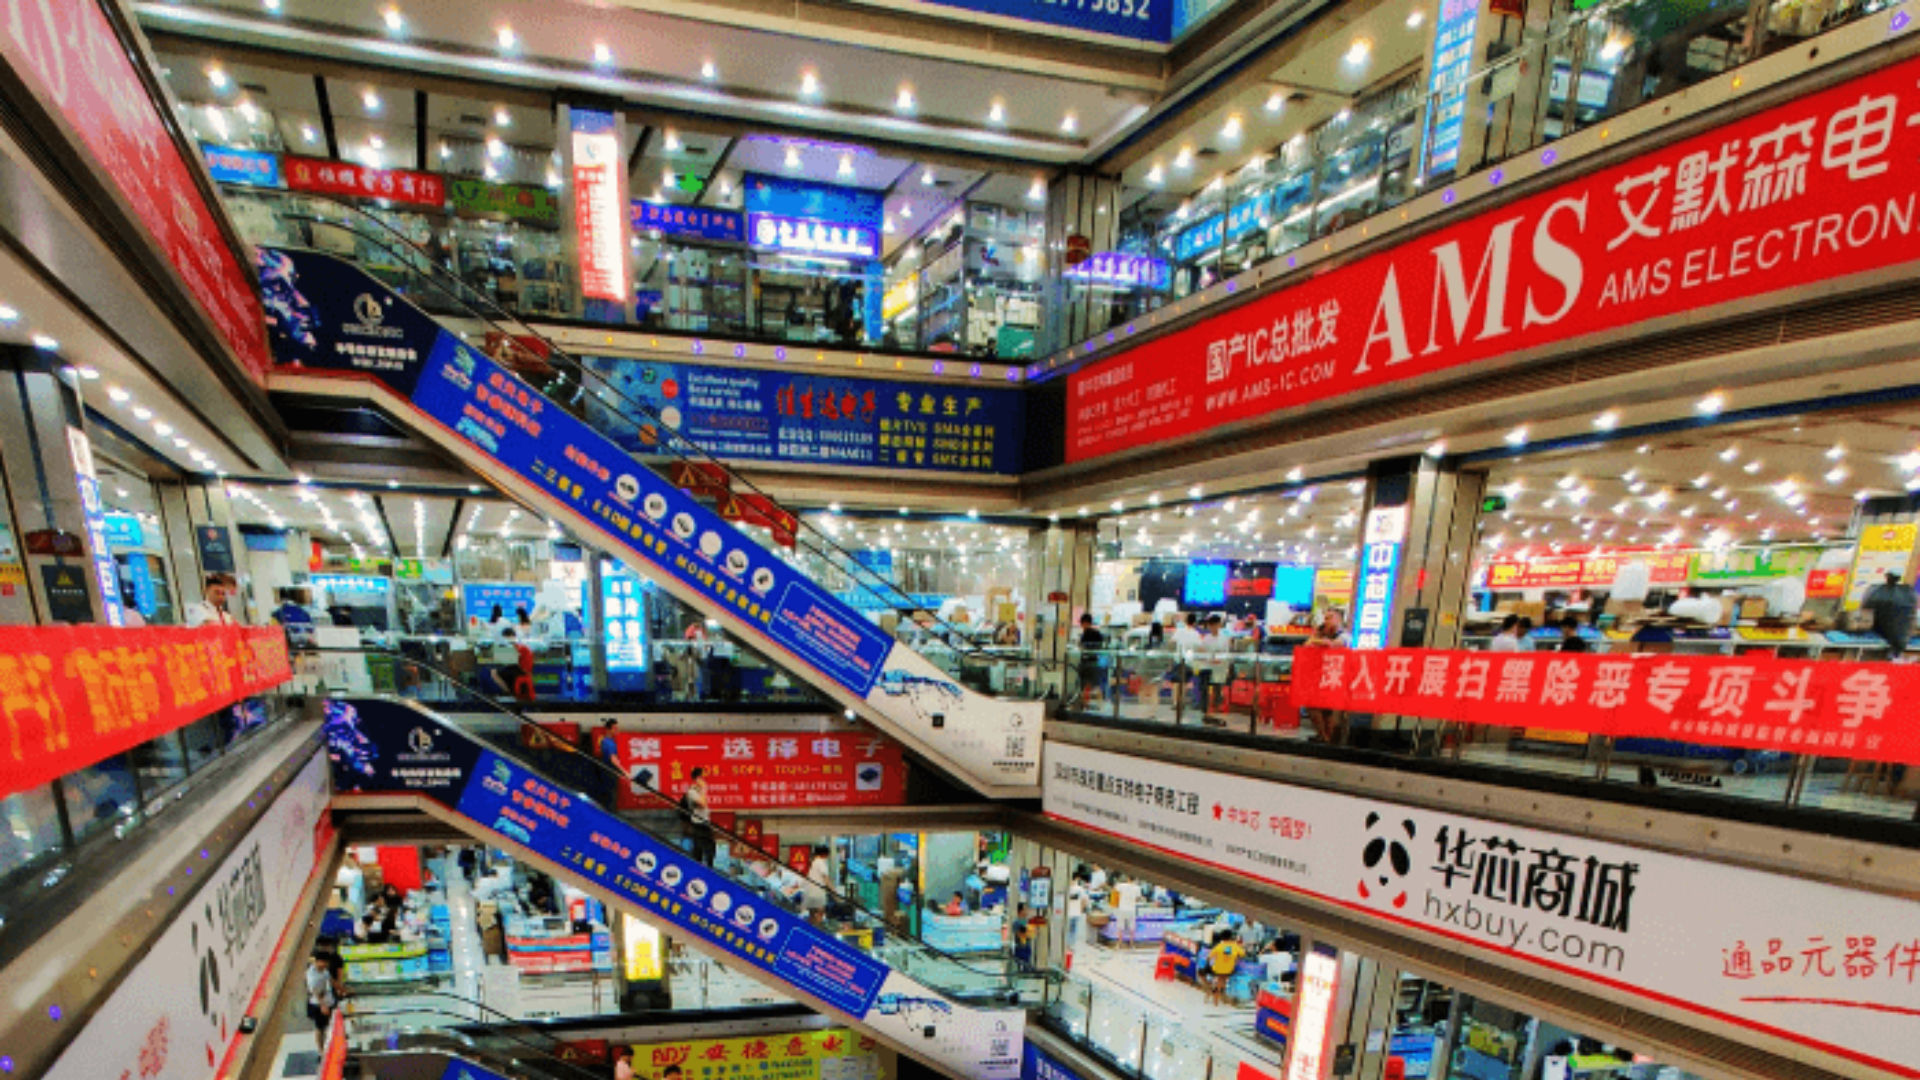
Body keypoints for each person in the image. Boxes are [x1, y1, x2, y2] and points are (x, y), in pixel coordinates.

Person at [1863, 571, 1918, 657]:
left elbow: (1866, 607)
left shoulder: (1877, 590)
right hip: (1900, 637)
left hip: (1880, 634)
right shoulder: (1907, 591)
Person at [488, 628, 534, 699]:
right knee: (495, 671)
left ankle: (508, 693)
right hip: (524, 674)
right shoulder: (522, 647)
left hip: (521, 674)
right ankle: (508, 693)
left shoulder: (517, 648)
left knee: (493, 673)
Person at [684, 767, 714, 866]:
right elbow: (702, 804)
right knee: (699, 850)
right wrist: (704, 789)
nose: (705, 780)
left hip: (705, 822)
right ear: (697, 778)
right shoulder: (692, 792)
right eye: (703, 777)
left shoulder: (700, 791)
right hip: (698, 824)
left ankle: (709, 868)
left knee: (710, 848)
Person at [1206, 930, 1246, 1006]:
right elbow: (1243, 954)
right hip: (1229, 970)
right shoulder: (1235, 946)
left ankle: (1217, 992)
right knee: (1223, 979)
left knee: (1219, 979)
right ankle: (1221, 991)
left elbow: (1209, 957)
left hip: (1217, 969)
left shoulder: (1219, 946)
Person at [1076, 613, 1106, 706]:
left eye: (1082, 623)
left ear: (1084, 623)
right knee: (1095, 684)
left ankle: (1085, 703)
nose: (1081, 626)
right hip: (1094, 661)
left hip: (1086, 662)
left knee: (1085, 684)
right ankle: (1100, 703)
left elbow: (1082, 647)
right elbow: (1101, 646)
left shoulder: (1086, 634)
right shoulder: (1098, 634)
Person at [305, 952, 338, 1034]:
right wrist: (323, 1006)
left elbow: (330, 979)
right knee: (320, 1028)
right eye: (325, 962)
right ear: (319, 961)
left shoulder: (322, 969)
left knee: (332, 1023)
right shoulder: (313, 977)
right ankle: (321, 1046)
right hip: (318, 1004)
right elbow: (315, 993)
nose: (327, 965)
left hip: (328, 1000)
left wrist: (342, 989)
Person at [1110, 874, 1142, 947]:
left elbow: (1114, 888)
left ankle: (1119, 943)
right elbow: (1137, 899)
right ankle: (1131, 943)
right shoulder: (1137, 888)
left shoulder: (1122, 886)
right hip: (1131, 909)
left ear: (1128, 878)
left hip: (1122, 909)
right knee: (1132, 927)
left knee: (1120, 927)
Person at [805, 845, 833, 925]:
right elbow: (826, 879)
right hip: (818, 893)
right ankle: (816, 932)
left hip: (810, 893)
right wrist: (834, 892)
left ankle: (810, 932)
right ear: (824, 854)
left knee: (812, 916)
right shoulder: (821, 863)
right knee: (819, 914)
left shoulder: (813, 862)